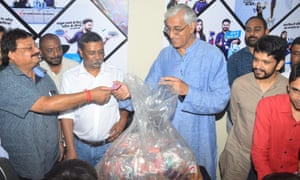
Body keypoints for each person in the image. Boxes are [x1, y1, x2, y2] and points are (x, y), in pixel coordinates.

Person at [114, 4, 230, 180]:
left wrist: (188, 91)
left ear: (192, 27)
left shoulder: (213, 56)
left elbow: (220, 101)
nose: (171, 34)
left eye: (177, 29)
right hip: (166, 143)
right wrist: (130, 94)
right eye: (168, 29)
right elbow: (149, 93)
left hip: (199, 141)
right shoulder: (165, 56)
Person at [0, 28, 112, 179]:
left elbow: (57, 110)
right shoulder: (5, 80)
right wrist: (90, 95)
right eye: (29, 48)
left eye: (35, 45)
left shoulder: (43, 75)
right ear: (11, 54)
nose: (36, 50)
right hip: (22, 165)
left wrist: (60, 141)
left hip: (50, 160)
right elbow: (46, 104)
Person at [219, 35, 288, 180]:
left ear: (280, 64)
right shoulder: (240, 85)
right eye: (256, 59)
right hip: (238, 157)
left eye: (265, 62)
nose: (258, 66)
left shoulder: (288, 90)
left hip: (271, 163)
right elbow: (235, 117)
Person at [59, 31, 131, 167]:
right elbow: (66, 115)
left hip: (109, 146)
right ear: (81, 52)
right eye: (92, 53)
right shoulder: (70, 77)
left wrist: (123, 120)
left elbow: (125, 102)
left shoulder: (115, 73)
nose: (97, 57)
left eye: (101, 52)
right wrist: (71, 149)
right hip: (79, 146)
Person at [252, 62, 300, 180]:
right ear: (288, 87)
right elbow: (259, 152)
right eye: (296, 90)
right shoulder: (268, 106)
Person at [226, 16, 269, 132]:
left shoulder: (274, 59)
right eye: (248, 30)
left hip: (269, 122)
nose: (252, 33)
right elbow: (230, 94)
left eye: (257, 29)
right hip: (239, 123)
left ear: (266, 32)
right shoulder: (235, 59)